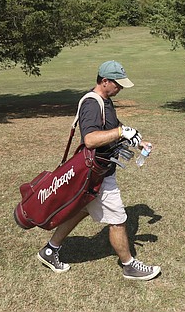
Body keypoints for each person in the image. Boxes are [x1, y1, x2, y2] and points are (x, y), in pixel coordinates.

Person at [36, 60, 162, 281]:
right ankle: (129, 265)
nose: (120, 88)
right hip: (98, 174)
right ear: (105, 81)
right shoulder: (93, 104)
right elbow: (91, 139)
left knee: (81, 210)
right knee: (118, 219)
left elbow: (112, 127)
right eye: (118, 84)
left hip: (99, 171)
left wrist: (135, 141)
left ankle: (50, 250)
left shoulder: (106, 100)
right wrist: (122, 131)